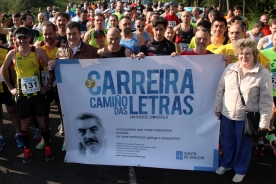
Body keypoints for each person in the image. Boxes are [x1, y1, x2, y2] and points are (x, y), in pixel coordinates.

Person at [214, 38, 272, 183]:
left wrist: (264, 121)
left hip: (246, 117)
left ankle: (240, 169)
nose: (244, 57)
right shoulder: (230, 69)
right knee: (227, 141)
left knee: (243, 146)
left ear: (254, 54)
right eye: (241, 54)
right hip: (227, 114)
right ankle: (226, 163)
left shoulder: (262, 73)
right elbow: (221, 89)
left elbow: (266, 100)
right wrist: (218, 108)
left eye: (247, 54)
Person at [0, 27, 56, 163]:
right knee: (24, 125)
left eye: (24, 37)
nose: (22, 40)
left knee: (42, 122)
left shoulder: (37, 51)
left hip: (37, 94)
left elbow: (51, 66)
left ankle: (48, 148)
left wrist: (47, 86)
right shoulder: (13, 53)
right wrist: (10, 88)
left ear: (29, 38)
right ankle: (26, 150)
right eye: (19, 38)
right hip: (23, 95)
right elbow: (3, 71)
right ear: (16, 39)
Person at [34, 21, 64, 150]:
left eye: (50, 33)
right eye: (45, 34)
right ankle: (45, 138)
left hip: (59, 84)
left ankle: (67, 139)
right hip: (44, 84)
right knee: (44, 113)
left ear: (55, 32)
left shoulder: (61, 46)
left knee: (63, 112)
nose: (48, 37)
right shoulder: (38, 47)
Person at [0, 29, 23, 151]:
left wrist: (13, 87)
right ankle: (0, 137)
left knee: (12, 111)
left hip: (6, 86)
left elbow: (14, 71)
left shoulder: (7, 51)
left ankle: (18, 134)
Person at [260, 31, 276, 157]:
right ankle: (269, 132)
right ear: (272, 39)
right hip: (269, 89)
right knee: (273, 110)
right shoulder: (265, 53)